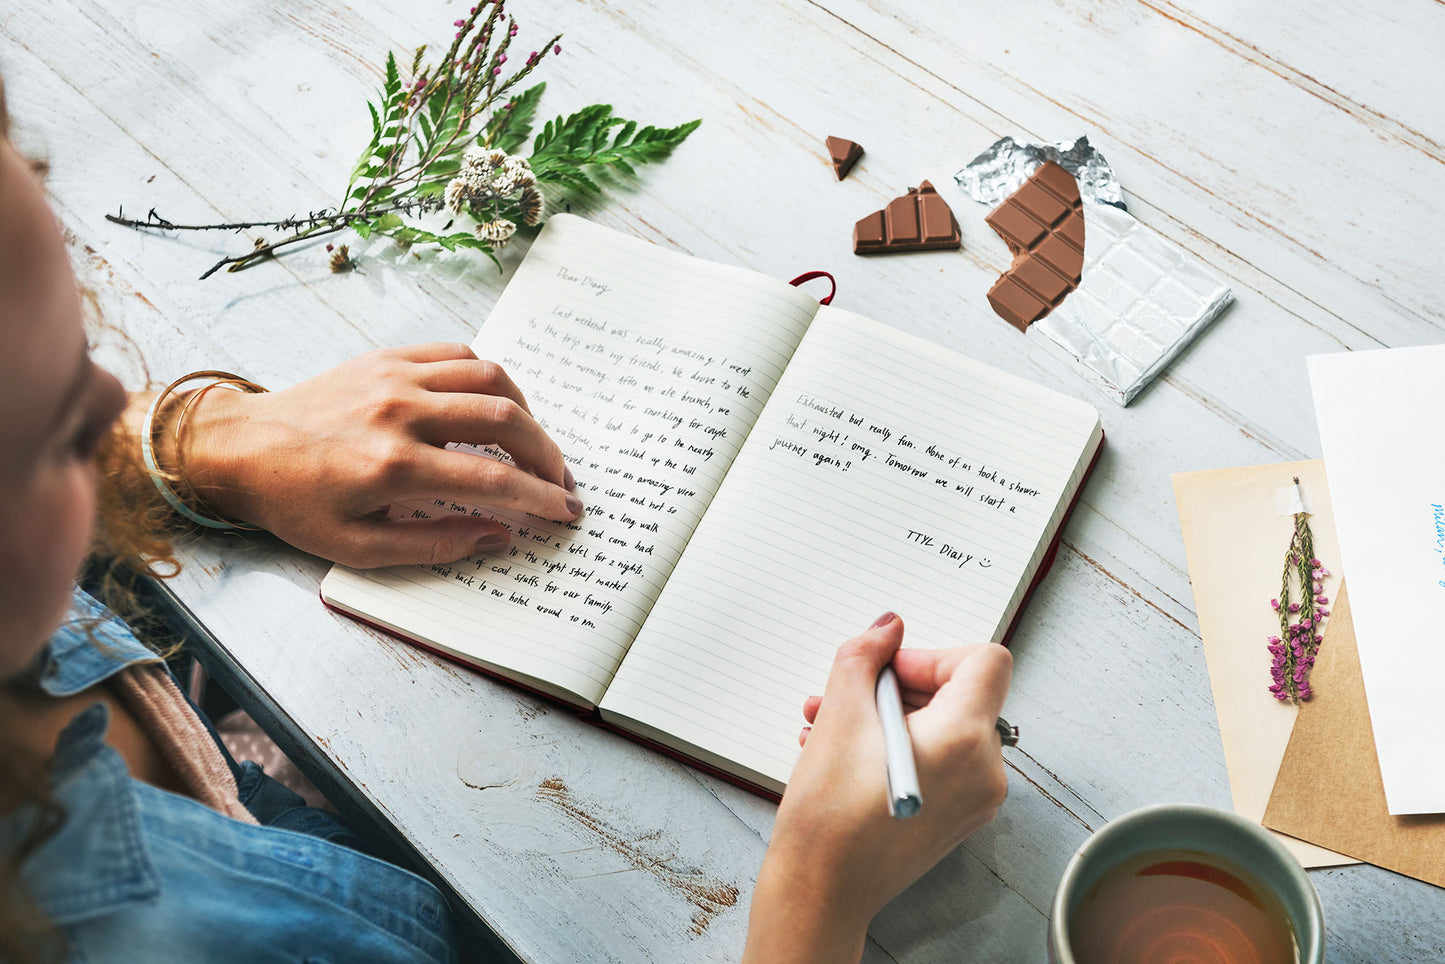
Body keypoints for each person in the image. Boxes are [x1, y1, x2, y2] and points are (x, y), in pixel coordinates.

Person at [0, 74, 1012, 963]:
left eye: (78, 334)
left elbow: (122, 431)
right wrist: (814, 898)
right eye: (44, 427)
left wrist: (194, 442)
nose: (106, 405)